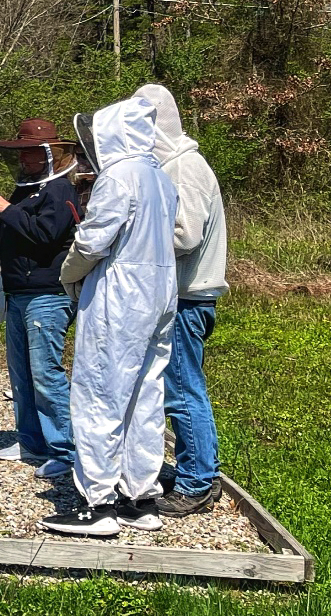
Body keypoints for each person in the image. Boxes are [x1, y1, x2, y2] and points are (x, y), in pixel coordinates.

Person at [41, 97, 178, 537]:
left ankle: (97, 504)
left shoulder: (118, 176)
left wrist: (68, 273)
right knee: (144, 397)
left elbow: (93, 241)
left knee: (100, 394)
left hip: (120, 295)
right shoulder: (160, 177)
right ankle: (140, 498)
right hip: (161, 293)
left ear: (112, 135)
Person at [134, 84, 229, 517]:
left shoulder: (185, 167)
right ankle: (199, 470)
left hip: (189, 298)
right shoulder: (171, 165)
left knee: (182, 390)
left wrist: (131, 237)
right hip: (179, 296)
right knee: (178, 387)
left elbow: (185, 236)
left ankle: (197, 482)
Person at [0, 119, 79, 480]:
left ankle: (65, 451)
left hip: (48, 295)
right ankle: (31, 442)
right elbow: (15, 233)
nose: (24, 159)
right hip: (19, 292)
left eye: (31, 153)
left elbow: (47, 235)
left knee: (45, 375)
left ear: (51, 154)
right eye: (21, 153)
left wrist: (6, 209)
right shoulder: (25, 190)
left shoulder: (60, 190)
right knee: (21, 375)